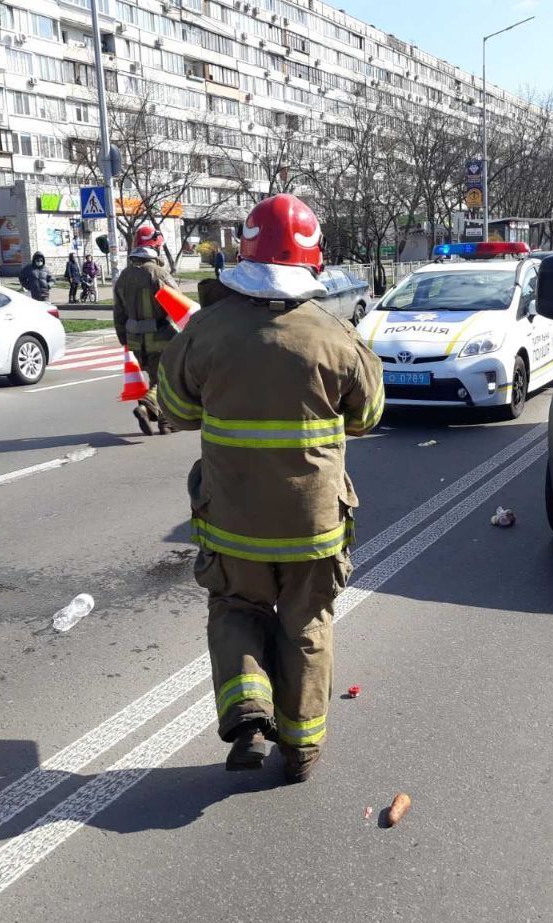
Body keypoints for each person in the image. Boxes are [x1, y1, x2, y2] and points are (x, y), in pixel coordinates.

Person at [159, 194, 384, 784]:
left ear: (244, 254)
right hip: (314, 524)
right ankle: (302, 752)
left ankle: (247, 713)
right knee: (306, 625)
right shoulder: (337, 337)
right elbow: (367, 417)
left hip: (232, 520)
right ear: (313, 261)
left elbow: (176, 410)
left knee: (237, 608)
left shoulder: (204, 331)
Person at [113, 224, 180, 436]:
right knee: (167, 379)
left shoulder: (123, 277)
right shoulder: (158, 273)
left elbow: (118, 313)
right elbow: (178, 304)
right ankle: (146, 405)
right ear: (155, 248)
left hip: (136, 340)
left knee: (155, 377)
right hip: (160, 337)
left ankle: (165, 423)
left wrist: (124, 339)